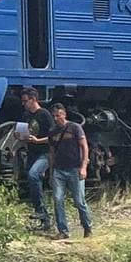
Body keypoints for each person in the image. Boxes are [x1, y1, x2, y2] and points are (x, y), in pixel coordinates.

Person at [48, 103, 92, 239]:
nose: (56, 118)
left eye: (58, 115)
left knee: (79, 201)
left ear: (64, 114)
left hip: (75, 168)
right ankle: (63, 231)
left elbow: (84, 147)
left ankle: (87, 227)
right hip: (59, 170)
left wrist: (83, 167)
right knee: (57, 199)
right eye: (54, 116)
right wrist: (51, 172)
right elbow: (52, 152)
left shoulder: (75, 127)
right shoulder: (52, 132)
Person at [20, 87, 54, 232]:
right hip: (32, 152)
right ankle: (44, 220)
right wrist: (21, 136)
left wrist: (38, 140)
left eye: (25, 101)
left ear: (33, 99)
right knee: (32, 180)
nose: (23, 104)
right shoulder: (26, 115)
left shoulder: (44, 114)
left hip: (45, 153)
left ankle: (40, 211)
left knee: (33, 175)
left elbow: (54, 137)